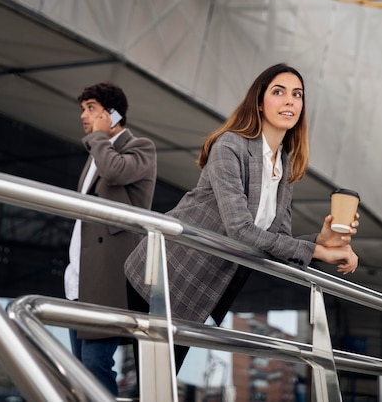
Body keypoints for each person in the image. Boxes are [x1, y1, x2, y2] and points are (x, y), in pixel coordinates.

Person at [124, 62, 359, 372]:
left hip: (201, 293)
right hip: (164, 275)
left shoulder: (284, 165)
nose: (290, 100)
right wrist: (318, 251)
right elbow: (240, 230)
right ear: (260, 102)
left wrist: (322, 240)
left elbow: (279, 244)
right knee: (153, 382)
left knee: (161, 382)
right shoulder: (230, 146)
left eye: (297, 94)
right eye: (279, 92)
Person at [64, 81, 157, 396]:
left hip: (108, 280)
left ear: (113, 114)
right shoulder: (96, 154)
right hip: (80, 277)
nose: (83, 116)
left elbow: (116, 172)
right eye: (83, 109)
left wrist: (100, 139)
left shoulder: (140, 148)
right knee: (80, 369)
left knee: (96, 363)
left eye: (91, 108)